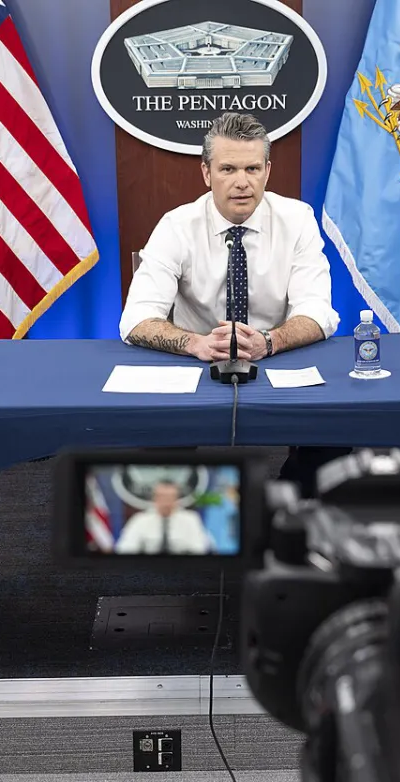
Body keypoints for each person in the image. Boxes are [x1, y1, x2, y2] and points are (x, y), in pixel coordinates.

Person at [118, 112, 350, 496]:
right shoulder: (177, 226)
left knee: (333, 443)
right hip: (198, 366)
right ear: (206, 173)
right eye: (228, 169)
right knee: (158, 452)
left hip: (277, 361)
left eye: (252, 168)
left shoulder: (297, 220)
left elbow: (319, 312)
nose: (242, 182)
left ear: (267, 171)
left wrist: (268, 341)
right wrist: (195, 343)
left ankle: (286, 512)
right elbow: (136, 319)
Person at [114, 481, 213, 555]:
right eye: (162, 497)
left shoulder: (191, 519)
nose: (166, 502)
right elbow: (124, 548)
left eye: (170, 497)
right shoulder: (140, 520)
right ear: (155, 498)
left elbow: (200, 549)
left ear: (176, 499)